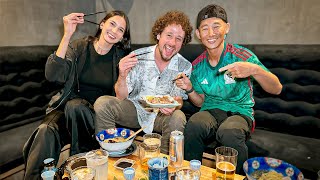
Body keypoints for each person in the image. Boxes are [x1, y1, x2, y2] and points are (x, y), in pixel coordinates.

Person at [23, 10, 131, 179]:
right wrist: (67, 35)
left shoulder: (120, 58)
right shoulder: (79, 47)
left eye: (120, 30)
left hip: (94, 117)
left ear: (122, 37)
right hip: (66, 109)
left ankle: (82, 171)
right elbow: (53, 75)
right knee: (45, 131)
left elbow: (120, 98)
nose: (114, 31)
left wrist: (123, 74)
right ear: (102, 24)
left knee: (77, 107)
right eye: (112, 24)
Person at [175, 4, 282, 174]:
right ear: (198, 34)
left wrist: (254, 70)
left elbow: (276, 88)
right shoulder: (197, 65)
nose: (211, 33)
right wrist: (189, 90)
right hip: (210, 111)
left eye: (216, 26)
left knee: (229, 132)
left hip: (239, 113)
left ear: (227, 28)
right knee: (193, 125)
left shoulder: (241, 56)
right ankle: (191, 174)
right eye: (205, 28)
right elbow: (200, 102)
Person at [94, 10, 193, 154]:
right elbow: (121, 96)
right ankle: (111, 153)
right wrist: (122, 74)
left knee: (178, 117)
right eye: (169, 35)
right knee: (103, 104)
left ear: (182, 43)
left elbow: (179, 99)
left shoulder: (184, 66)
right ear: (159, 35)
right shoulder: (138, 57)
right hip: (135, 109)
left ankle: (164, 165)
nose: (172, 42)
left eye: (179, 38)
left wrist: (174, 106)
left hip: (161, 116)